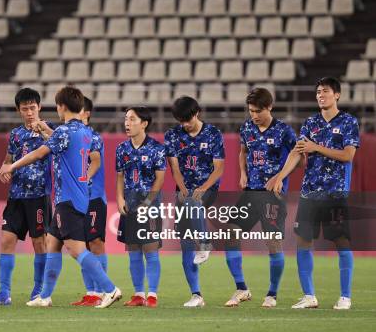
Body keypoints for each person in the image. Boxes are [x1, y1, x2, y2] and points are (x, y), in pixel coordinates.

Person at [0, 86, 121, 308]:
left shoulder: (65, 132)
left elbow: (39, 153)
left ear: (61, 107)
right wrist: (46, 129)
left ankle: (110, 289)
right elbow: (59, 141)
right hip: (75, 197)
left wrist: (11, 165)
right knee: (52, 244)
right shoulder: (84, 132)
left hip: (68, 199)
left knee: (76, 250)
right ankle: (44, 296)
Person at [267, 77, 359, 310]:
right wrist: (280, 176)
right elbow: (297, 153)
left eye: (325, 91)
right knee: (302, 240)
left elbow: (348, 155)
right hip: (310, 192)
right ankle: (309, 296)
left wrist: (316, 147)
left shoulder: (348, 122)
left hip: (335, 193)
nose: (320, 95)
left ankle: (345, 297)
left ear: (337, 95)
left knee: (341, 241)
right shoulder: (310, 123)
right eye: (318, 92)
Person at [223, 88, 296, 308]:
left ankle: (271, 294)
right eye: (251, 111)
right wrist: (243, 173)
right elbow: (243, 151)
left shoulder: (284, 130)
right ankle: (241, 289)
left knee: (273, 243)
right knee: (230, 232)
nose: (254, 115)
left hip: (273, 195)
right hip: (251, 192)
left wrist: (280, 177)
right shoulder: (246, 128)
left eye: (258, 111)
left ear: (269, 107)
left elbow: (298, 157)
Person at [0, 88, 51, 305]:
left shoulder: (52, 131)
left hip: (39, 195)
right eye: (25, 109)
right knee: (6, 239)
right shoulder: (16, 134)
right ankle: (4, 293)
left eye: (32, 108)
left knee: (39, 243)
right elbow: (9, 158)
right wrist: (4, 166)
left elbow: (59, 146)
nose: (29, 112)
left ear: (39, 107)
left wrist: (46, 130)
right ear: (18, 110)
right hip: (16, 196)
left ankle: (39, 291)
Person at [164, 96, 224, 308]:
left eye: (187, 119)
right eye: (181, 121)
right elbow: (175, 169)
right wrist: (183, 189)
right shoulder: (172, 136)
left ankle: (206, 243)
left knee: (193, 203)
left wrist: (202, 188)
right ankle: (196, 295)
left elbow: (219, 168)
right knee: (185, 244)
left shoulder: (213, 134)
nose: (185, 124)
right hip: (184, 190)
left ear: (197, 112)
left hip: (208, 189)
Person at [116, 107, 166, 308]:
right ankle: (138, 294)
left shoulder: (156, 148)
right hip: (129, 203)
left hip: (150, 203)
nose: (127, 123)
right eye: (126, 119)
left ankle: (152, 295)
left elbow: (160, 178)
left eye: (132, 119)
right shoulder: (121, 148)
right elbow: (119, 177)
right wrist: (119, 199)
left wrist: (148, 203)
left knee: (151, 250)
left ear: (144, 123)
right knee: (133, 250)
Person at [71, 97, 108, 307]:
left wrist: (82, 180)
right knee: (82, 245)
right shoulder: (70, 136)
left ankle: (104, 291)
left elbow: (96, 161)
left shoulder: (94, 137)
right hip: (76, 198)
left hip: (93, 197)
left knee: (96, 243)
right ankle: (91, 292)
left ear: (87, 114)